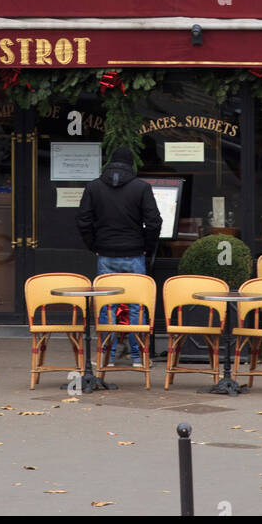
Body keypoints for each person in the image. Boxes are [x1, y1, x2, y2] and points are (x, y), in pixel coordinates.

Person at [76, 146, 162, 365]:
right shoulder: (141, 188)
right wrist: (147, 246)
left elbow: (83, 220)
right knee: (137, 306)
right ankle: (137, 356)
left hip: (105, 253)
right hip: (134, 254)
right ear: (131, 164)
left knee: (107, 305)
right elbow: (154, 221)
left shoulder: (94, 187)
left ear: (108, 163)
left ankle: (108, 356)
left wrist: (93, 244)